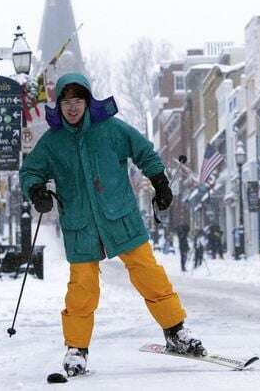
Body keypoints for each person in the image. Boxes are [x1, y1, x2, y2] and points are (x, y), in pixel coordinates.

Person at [20, 73, 206, 377]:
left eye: (78, 101)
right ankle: (76, 349)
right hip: (80, 224)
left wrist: (159, 181)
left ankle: (175, 332)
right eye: (67, 102)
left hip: (120, 216)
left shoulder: (111, 130)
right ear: (60, 105)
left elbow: (144, 151)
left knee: (148, 272)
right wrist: (37, 191)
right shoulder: (53, 142)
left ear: (87, 101)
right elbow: (30, 172)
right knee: (82, 286)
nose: (72, 107)